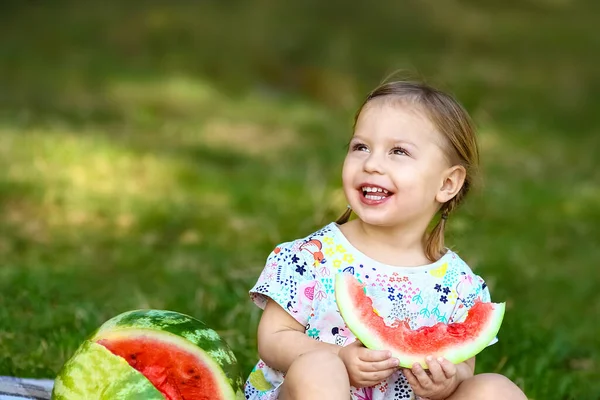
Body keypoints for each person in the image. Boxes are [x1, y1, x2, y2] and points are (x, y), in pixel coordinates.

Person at [244, 80, 527, 400]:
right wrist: (339, 357)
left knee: (495, 390)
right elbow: (274, 337)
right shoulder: (312, 256)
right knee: (319, 368)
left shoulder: (459, 284)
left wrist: (447, 381)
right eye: (360, 147)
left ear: (447, 183)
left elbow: (465, 366)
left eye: (398, 151)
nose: (372, 164)